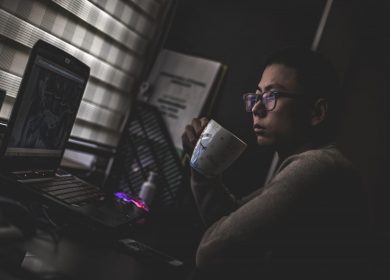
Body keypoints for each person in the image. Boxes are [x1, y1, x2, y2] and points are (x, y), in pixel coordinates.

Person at [182, 47, 370, 279]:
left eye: (272, 96)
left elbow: (211, 252)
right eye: (256, 96)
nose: (256, 108)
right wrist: (203, 168)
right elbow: (229, 220)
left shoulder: (318, 167)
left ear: (317, 112)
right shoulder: (311, 164)